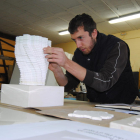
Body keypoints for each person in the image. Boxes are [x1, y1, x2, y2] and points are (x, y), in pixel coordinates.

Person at [43, 13, 139, 104]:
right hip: (95, 105)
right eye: (74, 40)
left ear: (94, 33)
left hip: (124, 105)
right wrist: (57, 71)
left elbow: (105, 82)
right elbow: (68, 86)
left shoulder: (117, 46)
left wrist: (67, 63)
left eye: (81, 38)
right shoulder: (79, 54)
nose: (78, 45)